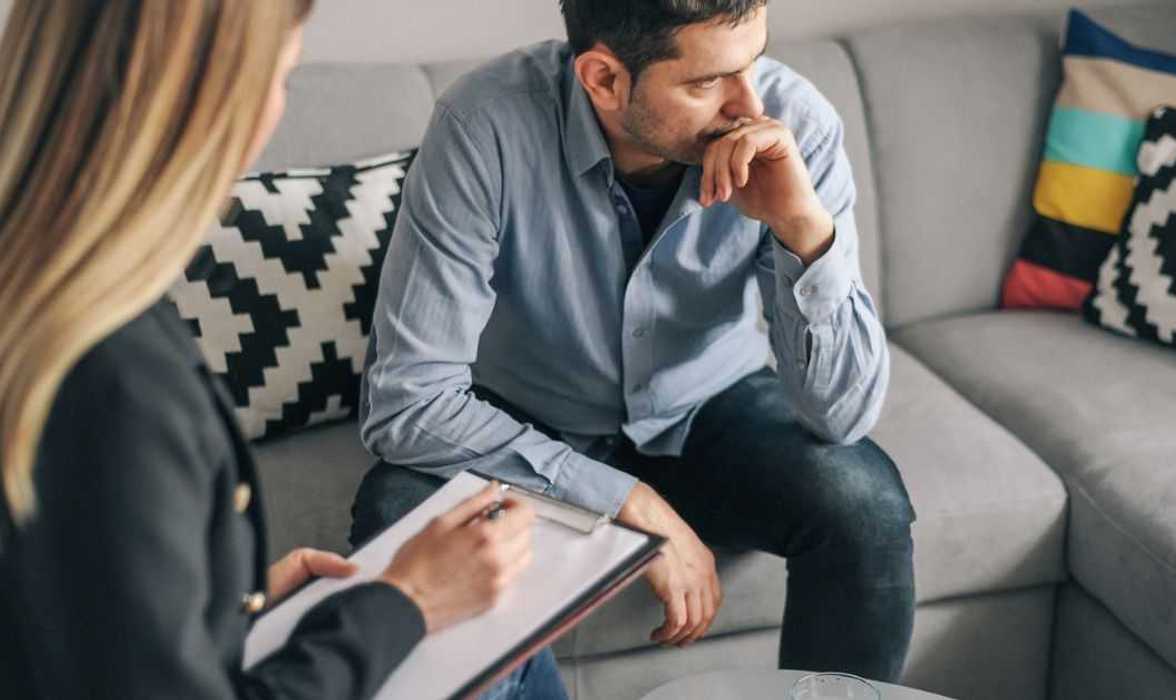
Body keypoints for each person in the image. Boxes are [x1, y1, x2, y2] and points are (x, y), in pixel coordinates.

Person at [0, 2, 566, 698]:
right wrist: (409, 603)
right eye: (282, 77)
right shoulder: (116, 377)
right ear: (205, 100)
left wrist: (230, 611)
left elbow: (82, 633)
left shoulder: (43, 302)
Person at [353, 0, 916, 682]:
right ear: (603, 79)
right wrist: (626, 500)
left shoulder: (793, 124)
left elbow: (844, 414)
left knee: (863, 503)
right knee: (398, 518)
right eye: (706, 82)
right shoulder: (484, 126)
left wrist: (803, 228)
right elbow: (407, 402)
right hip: (524, 415)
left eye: (753, 64)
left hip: (706, 405)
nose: (749, 104)